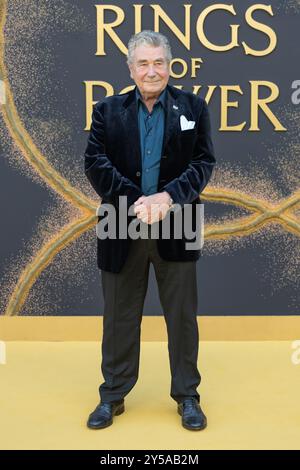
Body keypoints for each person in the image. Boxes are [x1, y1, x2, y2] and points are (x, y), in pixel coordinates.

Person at [84, 30, 216, 431]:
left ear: (169, 66)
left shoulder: (194, 106)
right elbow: (95, 162)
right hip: (118, 221)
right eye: (143, 63)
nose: (152, 70)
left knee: (182, 316)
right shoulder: (107, 110)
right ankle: (112, 395)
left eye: (158, 62)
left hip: (181, 219)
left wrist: (168, 198)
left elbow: (203, 162)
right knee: (118, 315)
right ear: (131, 68)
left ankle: (188, 396)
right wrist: (137, 200)